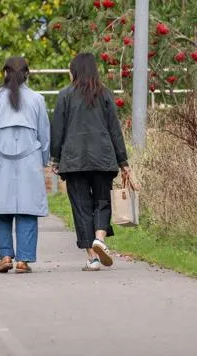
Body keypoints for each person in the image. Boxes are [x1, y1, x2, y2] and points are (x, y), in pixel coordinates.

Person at [50, 51, 132, 272]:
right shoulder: (105, 94)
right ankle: (100, 238)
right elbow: (115, 129)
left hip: (74, 161)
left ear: (74, 71)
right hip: (103, 158)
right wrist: (123, 161)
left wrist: (55, 158)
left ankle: (92, 258)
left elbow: (58, 130)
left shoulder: (65, 95)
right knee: (102, 202)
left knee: (81, 207)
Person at [0, 56, 51, 274]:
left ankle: (5, 255)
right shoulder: (37, 99)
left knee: (0, 209)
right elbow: (44, 134)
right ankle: (24, 260)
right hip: (30, 159)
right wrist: (44, 159)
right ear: (27, 74)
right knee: (27, 209)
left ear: (4, 73)